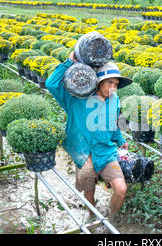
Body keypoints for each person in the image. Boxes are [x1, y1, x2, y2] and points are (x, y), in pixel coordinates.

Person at [45, 51, 132, 222]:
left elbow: (113, 124)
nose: (112, 88)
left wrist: (120, 140)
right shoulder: (75, 99)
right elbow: (51, 84)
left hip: (106, 152)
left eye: (115, 84)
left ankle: (111, 220)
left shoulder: (115, 100)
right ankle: (92, 217)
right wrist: (69, 61)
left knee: (121, 189)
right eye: (109, 83)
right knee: (89, 189)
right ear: (98, 82)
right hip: (83, 152)